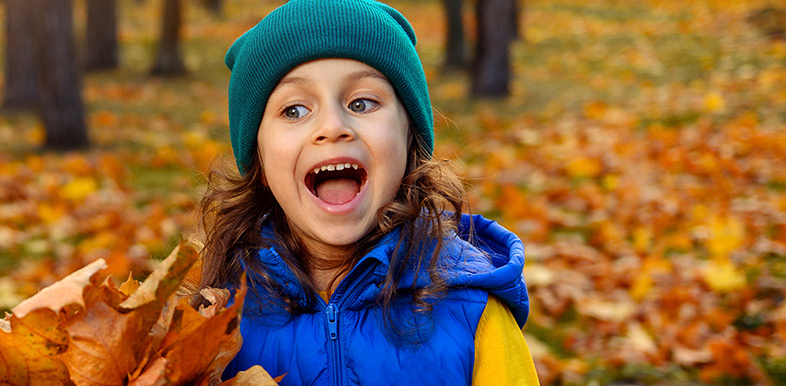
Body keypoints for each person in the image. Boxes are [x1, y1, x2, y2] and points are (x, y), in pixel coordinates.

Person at [194, 0, 539, 384]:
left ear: (409, 142)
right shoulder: (216, 322)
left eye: (362, 102)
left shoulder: (472, 312)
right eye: (294, 110)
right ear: (259, 162)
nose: (331, 126)